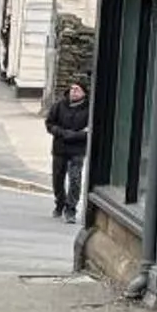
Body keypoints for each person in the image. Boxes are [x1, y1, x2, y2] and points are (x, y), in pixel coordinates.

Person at [44, 80, 90, 218]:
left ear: (84, 93)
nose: (73, 92)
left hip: (77, 150)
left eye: (77, 89)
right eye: (72, 89)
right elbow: (50, 123)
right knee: (58, 179)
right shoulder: (59, 106)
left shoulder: (89, 109)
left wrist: (75, 135)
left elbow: (91, 130)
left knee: (75, 179)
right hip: (60, 148)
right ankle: (60, 203)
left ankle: (71, 209)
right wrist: (62, 133)